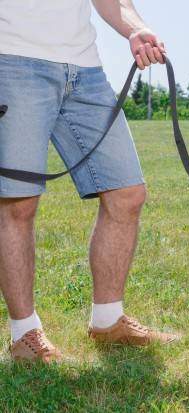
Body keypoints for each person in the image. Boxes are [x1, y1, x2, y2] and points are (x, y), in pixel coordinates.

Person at [0, 0, 177, 363]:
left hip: (85, 69)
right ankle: (24, 333)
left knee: (127, 192)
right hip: (12, 60)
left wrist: (136, 28)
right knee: (17, 201)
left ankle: (108, 321)